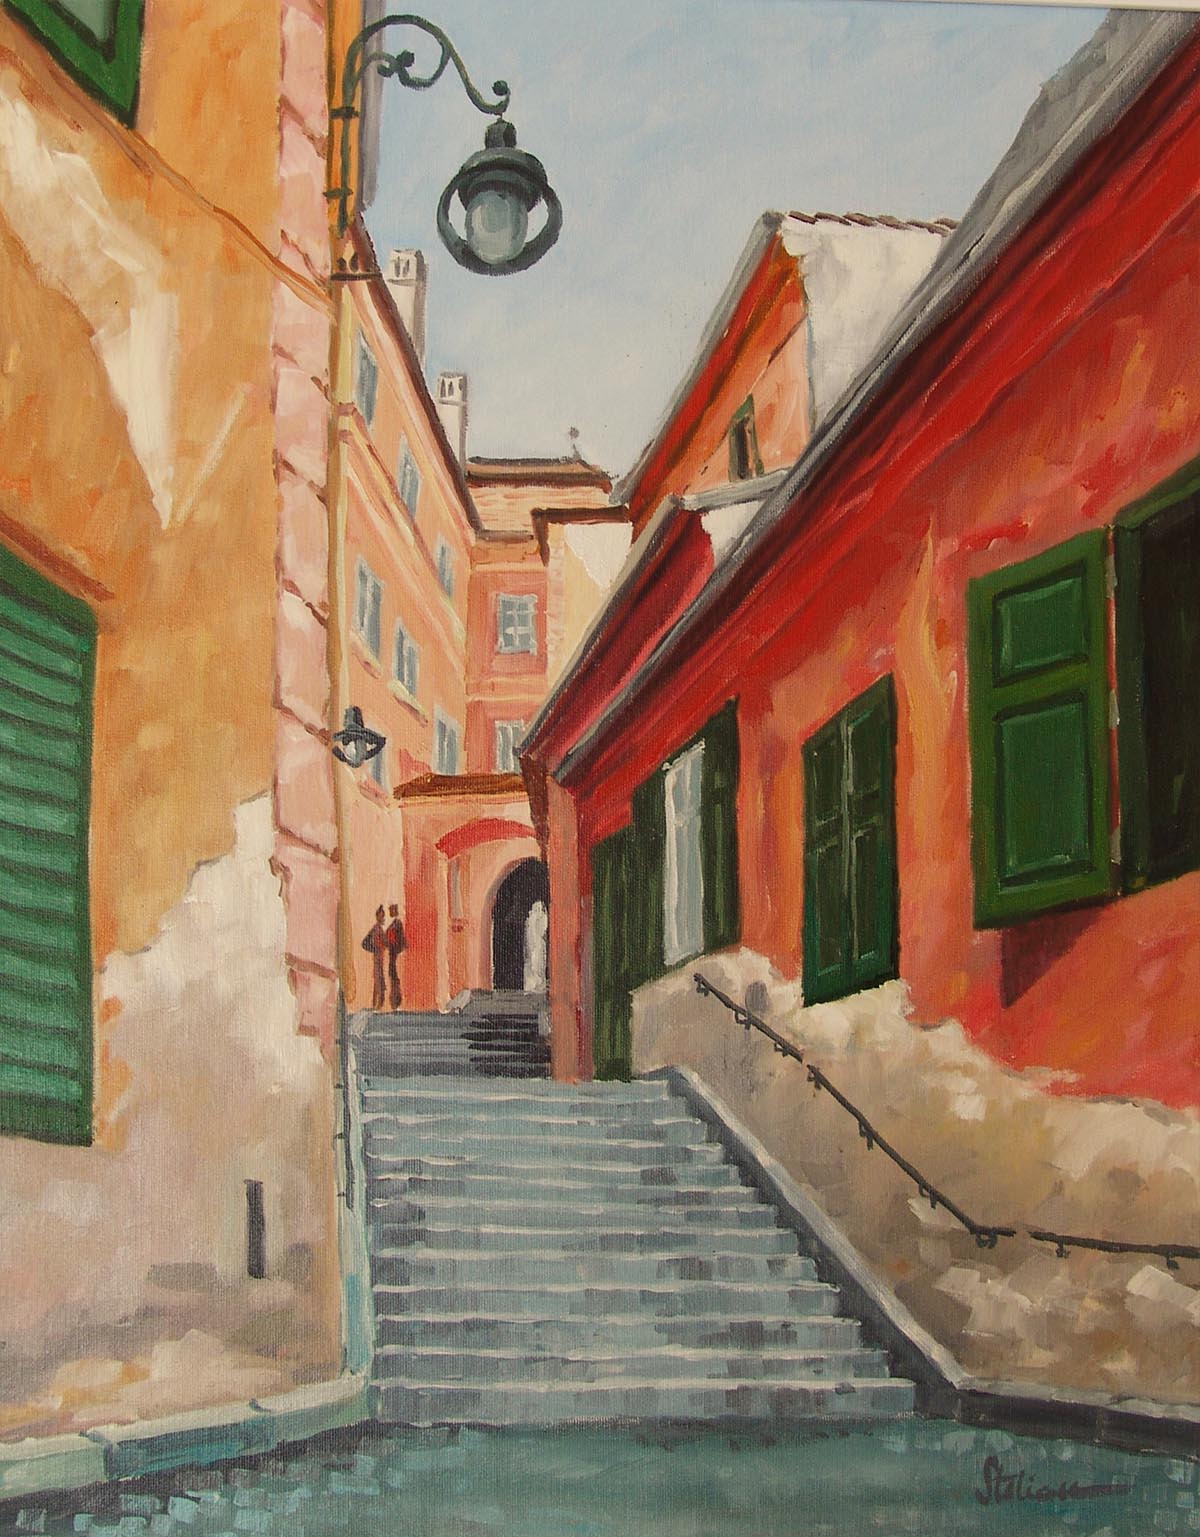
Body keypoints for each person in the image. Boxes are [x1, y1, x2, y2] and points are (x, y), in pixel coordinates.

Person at [361, 905, 388, 1010]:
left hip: (380, 959)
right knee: (378, 981)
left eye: (383, 916)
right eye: (381, 916)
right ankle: (376, 1005)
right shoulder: (375, 929)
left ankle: (377, 1005)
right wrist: (374, 949)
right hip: (377, 959)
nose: (383, 918)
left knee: (379, 981)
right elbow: (364, 943)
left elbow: (385, 943)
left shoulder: (380, 929)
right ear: (378, 917)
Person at [385, 902, 406, 1010]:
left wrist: (395, 947)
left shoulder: (397, 924)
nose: (390, 912)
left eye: (391, 910)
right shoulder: (393, 924)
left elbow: (402, 941)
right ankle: (394, 1001)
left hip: (394, 955)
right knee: (392, 975)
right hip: (392, 954)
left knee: (394, 976)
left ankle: (396, 1001)